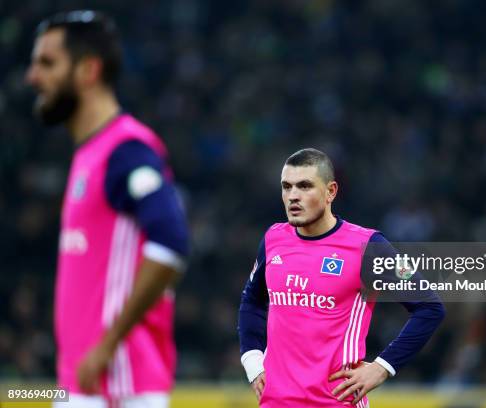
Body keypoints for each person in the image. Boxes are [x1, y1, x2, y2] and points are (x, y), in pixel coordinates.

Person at [25, 10, 189, 408]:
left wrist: (107, 345)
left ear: (88, 70)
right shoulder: (92, 154)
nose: (32, 77)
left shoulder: (126, 150)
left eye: (47, 63)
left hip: (119, 385)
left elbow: (170, 243)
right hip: (80, 385)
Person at [238, 148, 445, 407]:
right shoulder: (273, 239)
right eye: (286, 187)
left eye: (304, 186)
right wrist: (253, 361)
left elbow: (429, 307)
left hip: (335, 402)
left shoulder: (368, 246)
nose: (293, 196)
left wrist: (382, 367)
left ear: (331, 192)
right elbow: (252, 301)